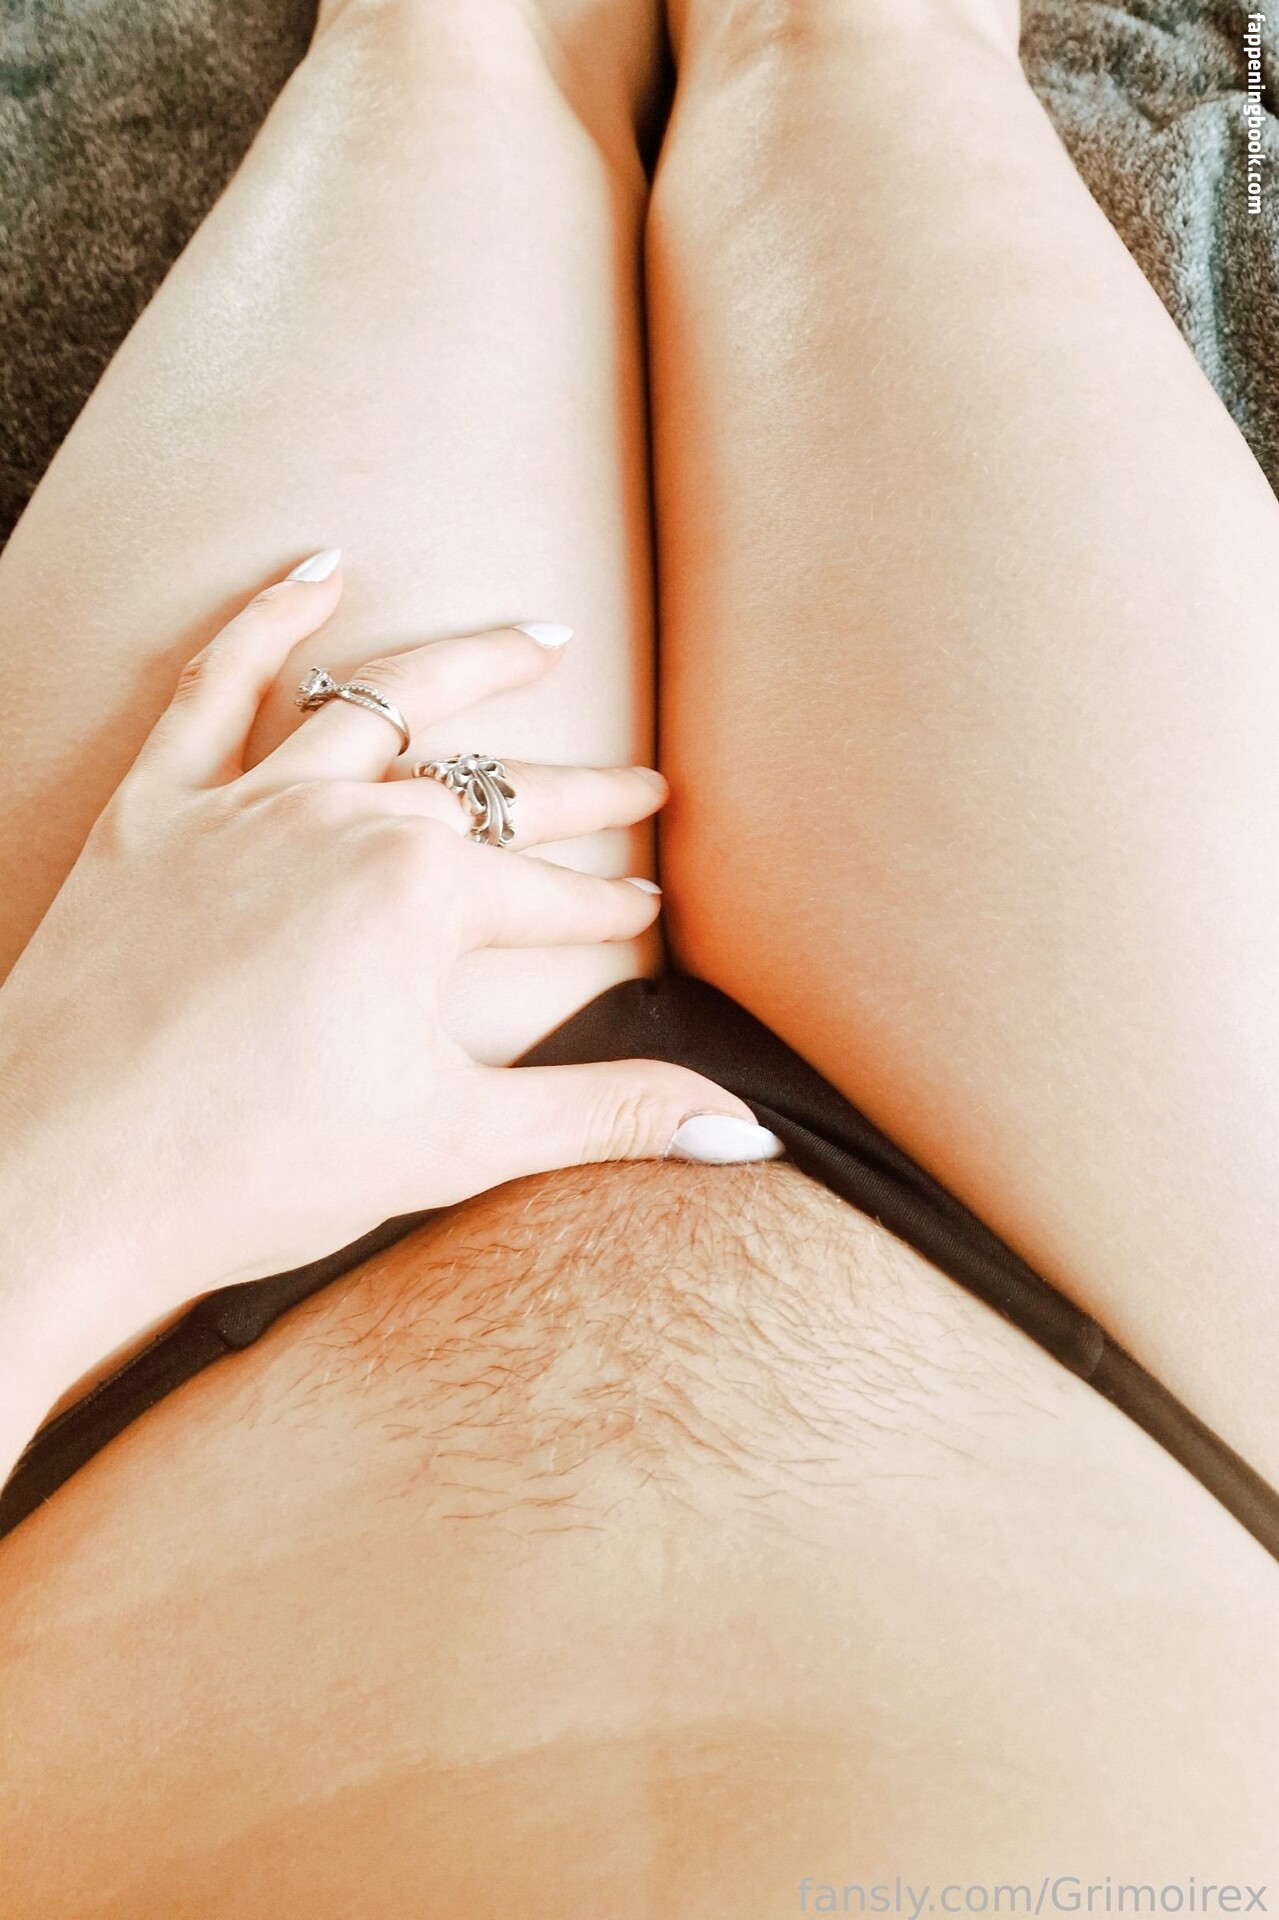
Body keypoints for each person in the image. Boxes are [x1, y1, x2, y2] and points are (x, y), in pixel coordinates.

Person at [0, 0, 1276, 1909]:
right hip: (1181, 1375)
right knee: (855, 49)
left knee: (450, 42)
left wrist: (64, 1162)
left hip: (130, 1299)